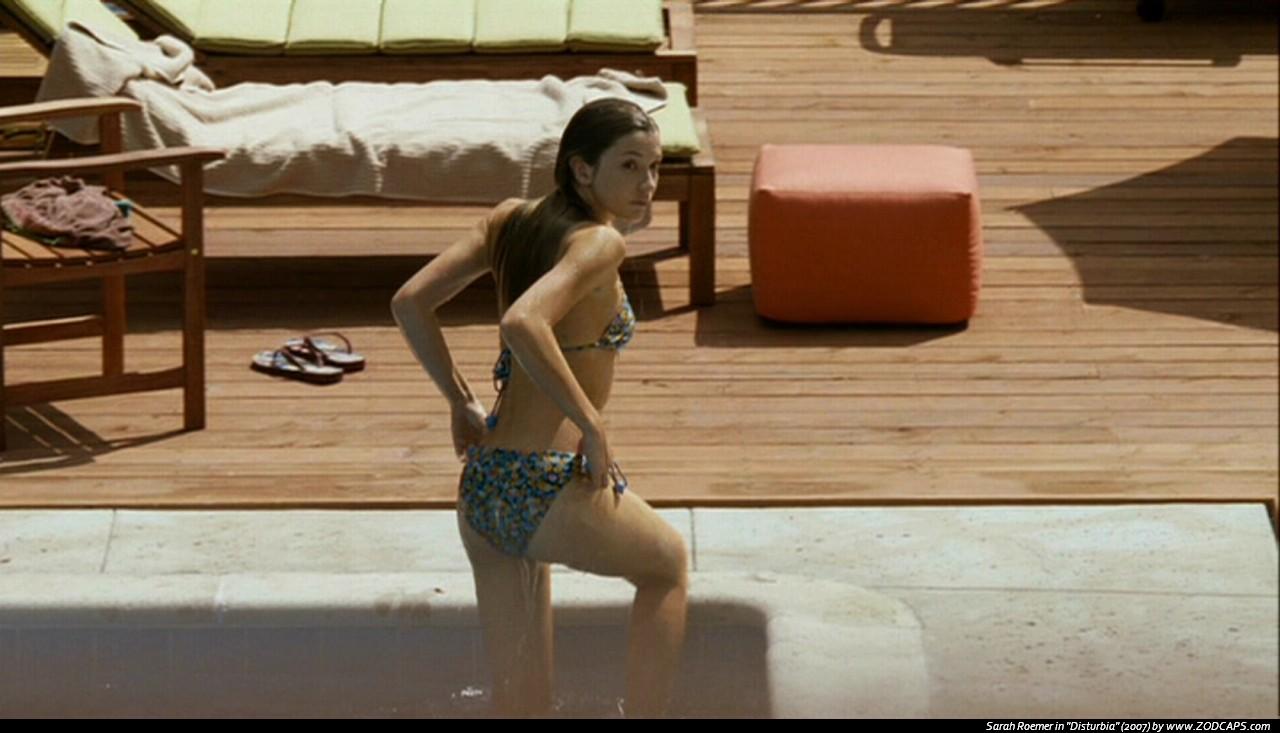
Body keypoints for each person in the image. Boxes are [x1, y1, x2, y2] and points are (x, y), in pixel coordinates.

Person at [391, 97, 689, 718]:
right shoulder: (599, 243)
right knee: (666, 566)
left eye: (655, 166)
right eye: (629, 166)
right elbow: (524, 321)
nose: (648, 183)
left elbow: (409, 302)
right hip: (544, 486)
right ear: (581, 169)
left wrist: (460, 401)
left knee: (523, 705)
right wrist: (591, 424)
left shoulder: (511, 220)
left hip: (484, 490)